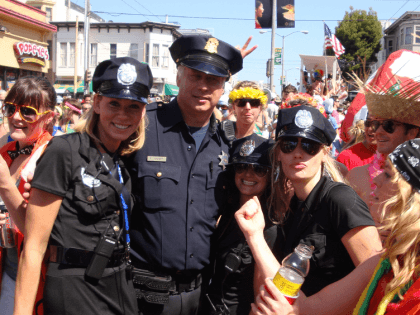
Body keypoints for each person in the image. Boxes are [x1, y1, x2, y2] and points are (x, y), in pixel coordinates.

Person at [125, 34, 256, 315]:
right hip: (142, 297)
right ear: (179, 75)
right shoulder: (143, 127)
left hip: (201, 295)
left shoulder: (227, 141)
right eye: (195, 76)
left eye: (214, 80)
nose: (204, 87)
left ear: (223, 88)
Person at [13, 57, 152, 315]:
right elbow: (33, 248)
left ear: (143, 111)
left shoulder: (124, 159)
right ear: (97, 103)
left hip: (119, 283)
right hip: (75, 287)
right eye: (114, 103)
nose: (123, 115)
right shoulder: (64, 151)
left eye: (133, 107)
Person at [251, 138, 420, 315]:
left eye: (388, 174)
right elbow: (307, 308)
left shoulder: (340, 198)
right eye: (289, 145)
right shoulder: (384, 261)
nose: (376, 179)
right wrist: (254, 235)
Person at [235, 105, 382, 298]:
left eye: (309, 146)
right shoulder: (293, 205)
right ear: (279, 153)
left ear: (325, 152)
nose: (298, 153)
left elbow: (376, 280)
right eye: (289, 145)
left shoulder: (340, 199)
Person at [0, 76, 55, 315]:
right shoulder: (6, 150)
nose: (15, 117)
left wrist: (5, 184)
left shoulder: (52, 157)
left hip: (30, 279)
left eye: (28, 112)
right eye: (10, 108)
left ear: (49, 117)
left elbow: (44, 230)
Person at [205, 134, 276, 315]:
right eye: (241, 167)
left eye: (259, 169)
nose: (248, 174)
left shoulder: (269, 226)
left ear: (270, 175)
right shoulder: (225, 210)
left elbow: (263, 290)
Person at [347, 84, 420, 215]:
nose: (378, 132)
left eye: (388, 125)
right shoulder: (355, 177)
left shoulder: (416, 182)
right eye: (376, 124)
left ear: (412, 132)